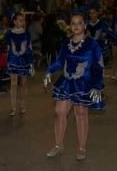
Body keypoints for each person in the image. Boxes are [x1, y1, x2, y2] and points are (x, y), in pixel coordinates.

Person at [43, 12, 104, 160]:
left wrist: (97, 85)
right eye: (73, 23)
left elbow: (98, 66)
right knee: (59, 112)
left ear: (85, 25)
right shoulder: (66, 43)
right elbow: (59, 61)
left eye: (79, 23)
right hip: (67, 82)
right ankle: (58, 145)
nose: (76, 26)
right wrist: (48, 71)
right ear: (70, 26)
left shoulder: (92, 44)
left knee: (81, 114)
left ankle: (82, 148)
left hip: (84, 84)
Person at [6, 11, 34, 116]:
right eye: (19, 20)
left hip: (25, 59)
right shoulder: (9, 33)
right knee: (13, 83)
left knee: (23, 83)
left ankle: (22, 105)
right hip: (13, 59)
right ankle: (13, 107)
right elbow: (8, 47)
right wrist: (8, 61)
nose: (22, 22)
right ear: (14, 21)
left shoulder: (27, 33)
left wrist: (31, 62)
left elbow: (29, 46)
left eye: (23, 20)